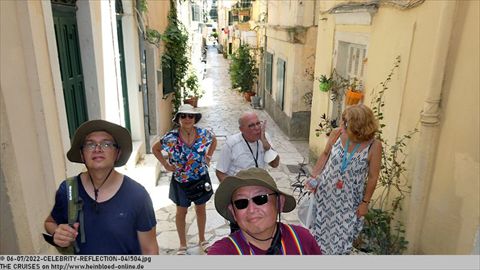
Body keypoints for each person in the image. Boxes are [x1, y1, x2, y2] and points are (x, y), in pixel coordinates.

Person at [44, 120, 159, 255]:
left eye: (106, 144)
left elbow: (150, 249)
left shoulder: (137, 196)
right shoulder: (68, 190)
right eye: (90, 144)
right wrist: (57, 233)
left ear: (118, 153)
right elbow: (50, 222)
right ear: (82, 154)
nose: (97, 149)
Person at [306, 104, 382, 255]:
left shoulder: (374, 146)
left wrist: (365, 203)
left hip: (349, 201)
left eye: (345, 121)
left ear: (357, 124)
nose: (342, 123)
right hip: (325, 195)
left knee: (342, 241)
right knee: (317, 236)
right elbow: (326, 154)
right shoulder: (338, 134)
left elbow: (373, 177)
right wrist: (313, 177)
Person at [207, 168, 321, 255]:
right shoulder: (223, 253)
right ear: (233, 212)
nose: (251, 210)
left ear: (279, 202)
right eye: (241, 203)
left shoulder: (302, 240)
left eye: (260, 198)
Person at [152, 104, 217, 255]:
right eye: (183, 116)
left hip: (200, 178)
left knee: (201, 209)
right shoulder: (170, 137)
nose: (187, 119)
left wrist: (208, 156)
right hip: (180, 181)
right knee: (181, 212)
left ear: (195, 118)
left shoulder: (203, 134)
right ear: (178, 118)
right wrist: (166, 165)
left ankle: (202, 239)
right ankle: (182, 244)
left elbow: (213, 141)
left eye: (190, 116)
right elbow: (155, 149)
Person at [215, 111, 279, 182]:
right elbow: (220, 173)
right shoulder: (231, 144)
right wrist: (234, 189)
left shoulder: (264, 137)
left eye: (258, 123)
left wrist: (268, 147)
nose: (257, 127)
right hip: (239, 187)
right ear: (241, 129)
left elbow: (275, 164)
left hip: (260, 184)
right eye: (251, 125)